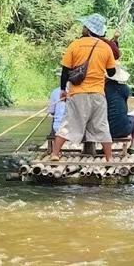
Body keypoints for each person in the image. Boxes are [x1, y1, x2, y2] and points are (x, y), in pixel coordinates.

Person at [51, 13, 117, 161]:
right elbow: (112, 72)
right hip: (98, 94)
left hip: (77, 93)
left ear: (87, 29)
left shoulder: (75, 45)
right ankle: (109, 158)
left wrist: (63, 90)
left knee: (68, 123)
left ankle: (55, 154)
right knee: (102, 125)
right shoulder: (105, 48)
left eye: (84, 26)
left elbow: (65, 71)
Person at [104, 64, 134, 151]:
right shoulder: (124, 89)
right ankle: (133, 146)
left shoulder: (102, 89)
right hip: (122, 129)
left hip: (103, 129)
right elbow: (123, 108)